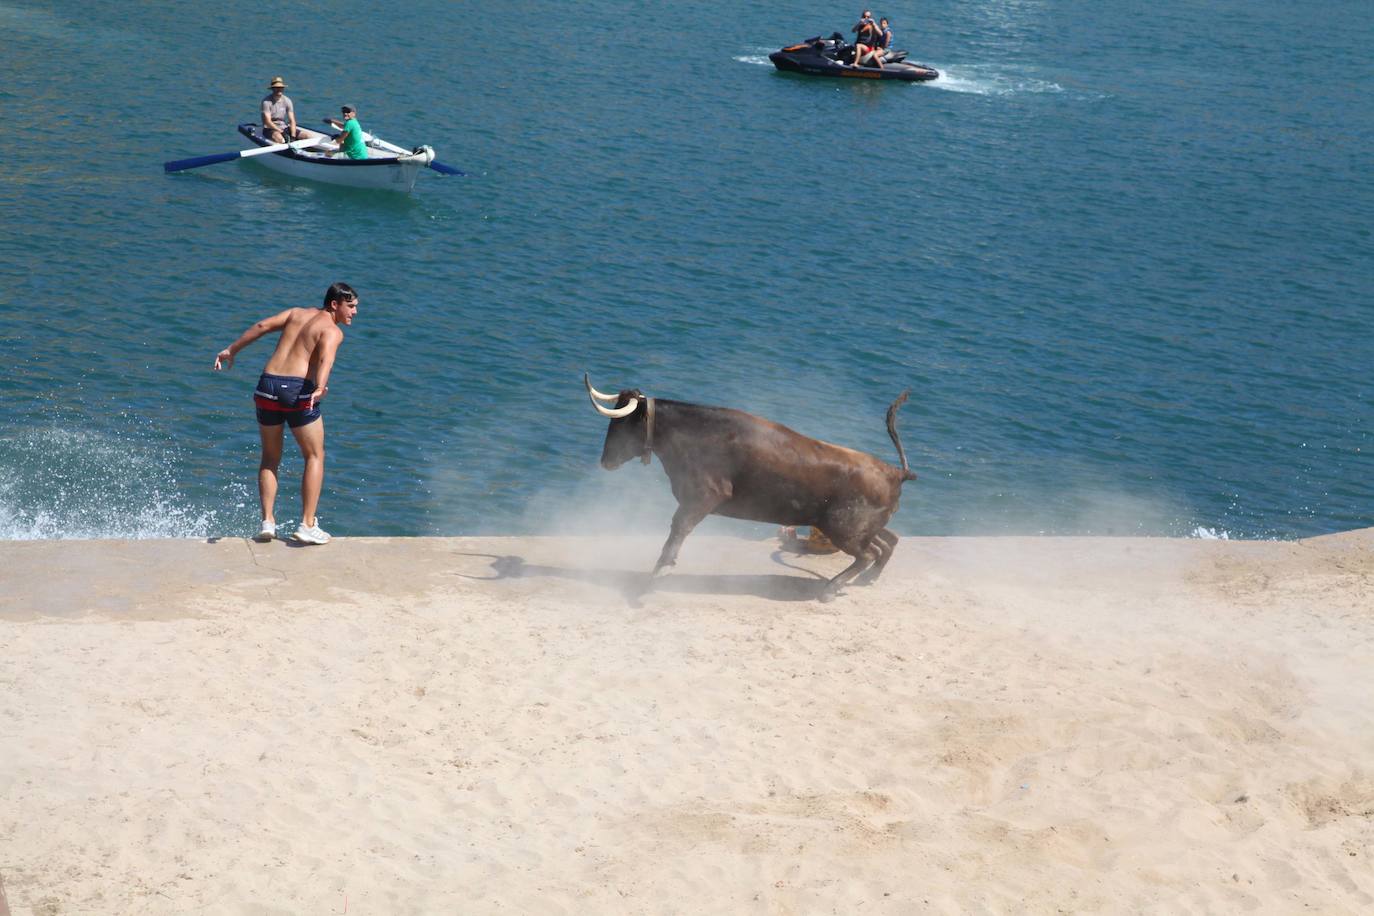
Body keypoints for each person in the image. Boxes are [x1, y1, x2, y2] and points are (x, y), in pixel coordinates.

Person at [213, 283, 359, 544]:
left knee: (270, 456)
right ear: (334, 304)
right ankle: (307, 524)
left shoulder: (295, 313)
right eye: (351, 306)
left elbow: (261, 327)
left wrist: (231, 349)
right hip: (296, 388)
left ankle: (268, 523)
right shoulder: (332, 330)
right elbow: (326, 359)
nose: (355, 312)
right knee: (315, 455)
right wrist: (320, 387)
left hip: (267, 385)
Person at [261, 76, 305, 144]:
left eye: (281, 88)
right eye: (277, 88)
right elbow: (268, 122)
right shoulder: (266, 102)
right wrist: (282, 132)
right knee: (281, 139)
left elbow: (292, 120)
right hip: (270, 129)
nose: (279, 90)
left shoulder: (287, 101)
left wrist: (293, 136)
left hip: (283, 127)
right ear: (272, 89)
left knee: (307, 136)